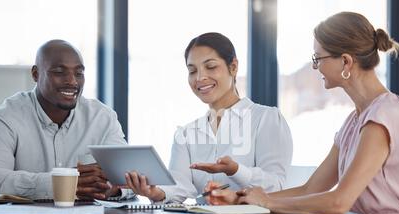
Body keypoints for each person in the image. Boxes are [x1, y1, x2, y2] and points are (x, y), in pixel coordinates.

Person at [206, 12, 399, 214]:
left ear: (346, 62)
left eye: (318, 58)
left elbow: (339, 202)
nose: (314, 66)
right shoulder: (354, 121)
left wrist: (267, 201)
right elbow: (310, 189)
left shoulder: (384, 115)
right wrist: (241, 199)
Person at [125, 32, 293, 203]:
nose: (200, 78)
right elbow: (180, 186)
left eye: (211, 67)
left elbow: (275, 185)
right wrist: (154, 192)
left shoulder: (266, 119)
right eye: (192, 71)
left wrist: (235, 170)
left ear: (233, 67)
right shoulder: (186, 134)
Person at [0, 40, 127, 200]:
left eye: (79, 73)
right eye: (59, 72)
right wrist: (59, 184)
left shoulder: (102, 118)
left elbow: (130, 176)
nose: (72, 81)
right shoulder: (6, 117)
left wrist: (112, 188)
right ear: (35, 74)